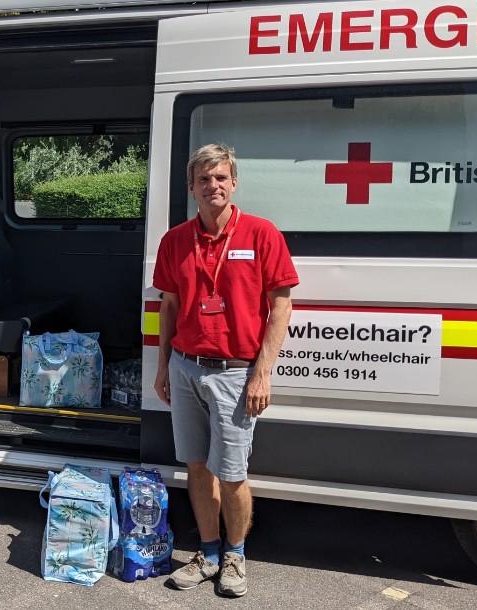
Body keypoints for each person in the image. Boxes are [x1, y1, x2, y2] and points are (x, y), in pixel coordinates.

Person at [152, 144, 297, 597]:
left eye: (221, 178)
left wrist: (262, 373)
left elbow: (281, 306)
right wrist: (162, 367)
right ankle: (208, 552)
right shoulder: (175, 240)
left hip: (237, 373)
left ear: (233, 183)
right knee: (197, 469)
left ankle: (235, 555)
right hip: (185, 367)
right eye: (203, 179)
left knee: (232, 473)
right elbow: (169, 306)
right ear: (191, 187)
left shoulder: (261, 234)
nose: (212, 186)